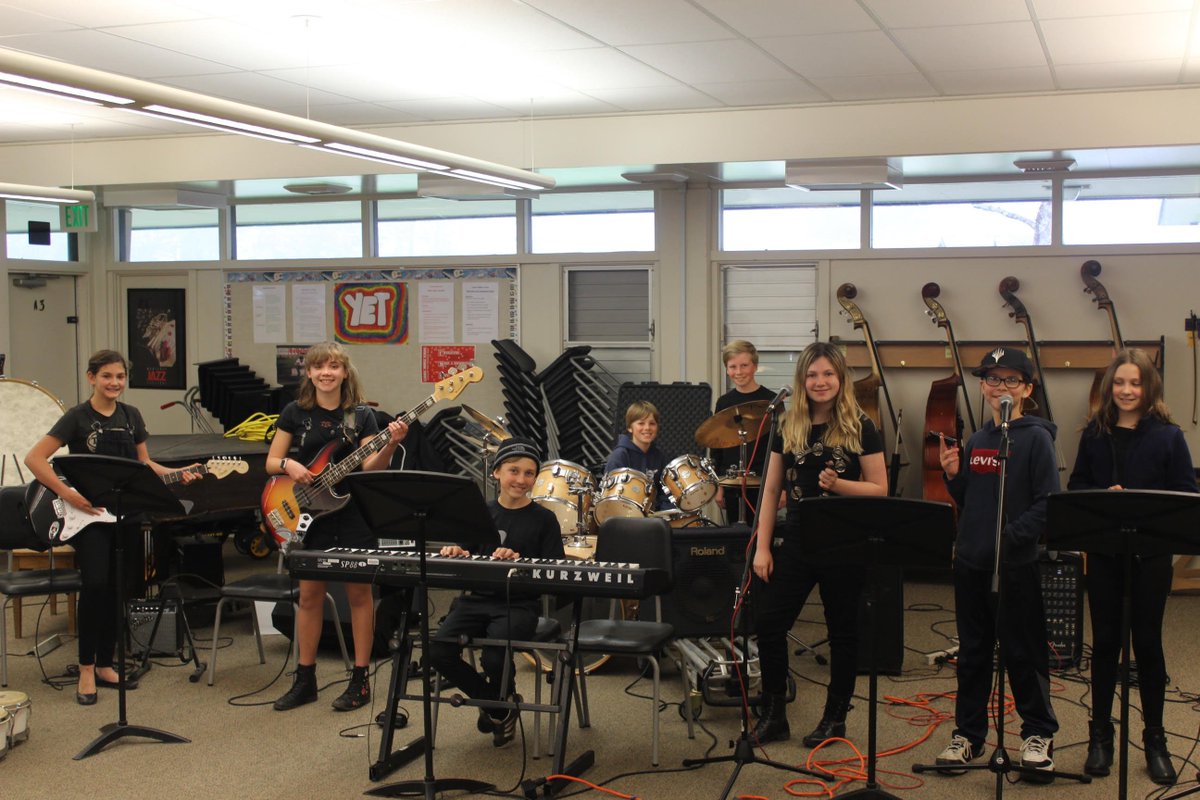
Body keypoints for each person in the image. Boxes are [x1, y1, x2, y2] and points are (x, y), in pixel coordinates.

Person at [24, 349, 200, 705]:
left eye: (120, 377)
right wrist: (68, 494)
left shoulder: (132, 415)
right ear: (92, 378)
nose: (115, 383)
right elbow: (35, 458)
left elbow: (144, 464)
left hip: (127, 515)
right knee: (95, 586)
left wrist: (180, 475)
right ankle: (86, 666)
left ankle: (106, 662)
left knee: (120, 588)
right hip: (89, 519)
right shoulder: (76, 417)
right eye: (107, 376)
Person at [1068, 348, 1196, 784]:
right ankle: (1100, 737)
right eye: (1119, 383)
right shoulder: (1094, 435)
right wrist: (1106, 495)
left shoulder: (1168, 436)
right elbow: (1078, 486)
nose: (1126, 390)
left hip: (1149, 558)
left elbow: (1184, 494)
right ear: (1109, 388)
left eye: (1135, 383)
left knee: (1148, 645)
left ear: (1149, 387)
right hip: (1105, 556)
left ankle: (1155, 739)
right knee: (1105, 645)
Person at [751, 341, 887, 746]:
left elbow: (881, 488)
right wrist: (762, 547)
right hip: (798, 538)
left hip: (845, 542)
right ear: (802, 380)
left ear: (840, 378)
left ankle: (834, 718)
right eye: (812, 375)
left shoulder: (861, 425)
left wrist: (839, 485)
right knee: (769, 624)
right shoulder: (788, 424)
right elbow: (772, 488)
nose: (820, 381)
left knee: (843, 632)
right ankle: (775, 714)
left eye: (828, 374)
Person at [934, 347, 1060, 780]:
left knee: (1022, 652)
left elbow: (1048, 503)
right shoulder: (978, 440)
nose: (1000, 387)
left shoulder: (1036, 438)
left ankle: (1037, 732)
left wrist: (1011, 538)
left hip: (1014, 565)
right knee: (972, 654)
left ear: (1026, 389)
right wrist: (954, 478)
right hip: (971, 563)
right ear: (983, 386)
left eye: (1010, 380)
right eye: (992, 379)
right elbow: (972, 503)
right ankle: (968, 735)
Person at [268, 342, 407, 712]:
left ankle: (360, 680)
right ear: (309, 373)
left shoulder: (360, 415)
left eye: (334, 366)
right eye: (319, 367)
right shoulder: (295, 413)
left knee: (359, 597)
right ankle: (305, 678)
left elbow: (369, 468)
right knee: (310, 597)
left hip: (352, 514)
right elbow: (270, 461)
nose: (326, 372)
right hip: (310, 514)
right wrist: (289, 467)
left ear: (345, 373)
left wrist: (390, 445)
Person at [429, 437, 565, 747]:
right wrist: (457, 552)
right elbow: (466, 554)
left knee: (493, 658)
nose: (521, 480)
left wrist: (522, 562)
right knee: (437, 652)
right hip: (475, 600)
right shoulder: (479, 512)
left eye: (529, 473)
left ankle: (496, 706)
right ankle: (500, 706)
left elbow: (554, 574)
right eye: (513, 471)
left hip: (518, 605)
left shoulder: (545, 520)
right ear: (496, 473)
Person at [711, 340, 784, 524]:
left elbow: (785, 446)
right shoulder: (723, 402)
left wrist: (784, 487)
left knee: (763, 535)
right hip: (731, 482)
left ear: (755, 366)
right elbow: (716, 447)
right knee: (735, 538)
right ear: (726, 369)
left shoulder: (772, 401)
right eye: (732, 367)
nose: (738, 372)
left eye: (744, 365)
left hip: (765, 482)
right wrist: (718, 485)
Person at [605, 400, 672, 511]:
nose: (647, 428)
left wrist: (665, 515)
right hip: (625, 518)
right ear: (630, 428)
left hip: (653, 519)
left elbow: (666, 492)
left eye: (652, 423)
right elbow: (610, 496)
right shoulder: (619, 456)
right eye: (641, 423)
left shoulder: (659, 456)